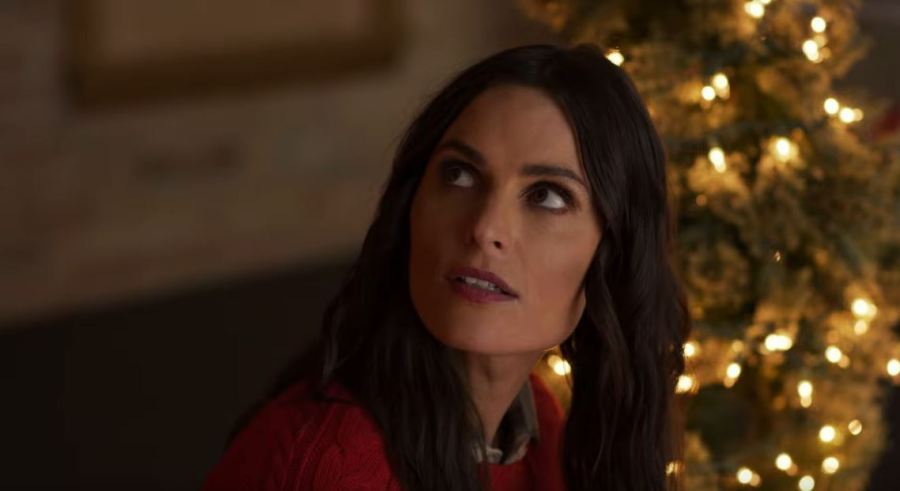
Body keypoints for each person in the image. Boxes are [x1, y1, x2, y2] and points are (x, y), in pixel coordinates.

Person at [202, 43, 691, 491]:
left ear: (611, 257)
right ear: (409, 207)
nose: (485, 227)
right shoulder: (325, 468)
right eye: (459, 174)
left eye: (546, 196)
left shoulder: (539, 426)